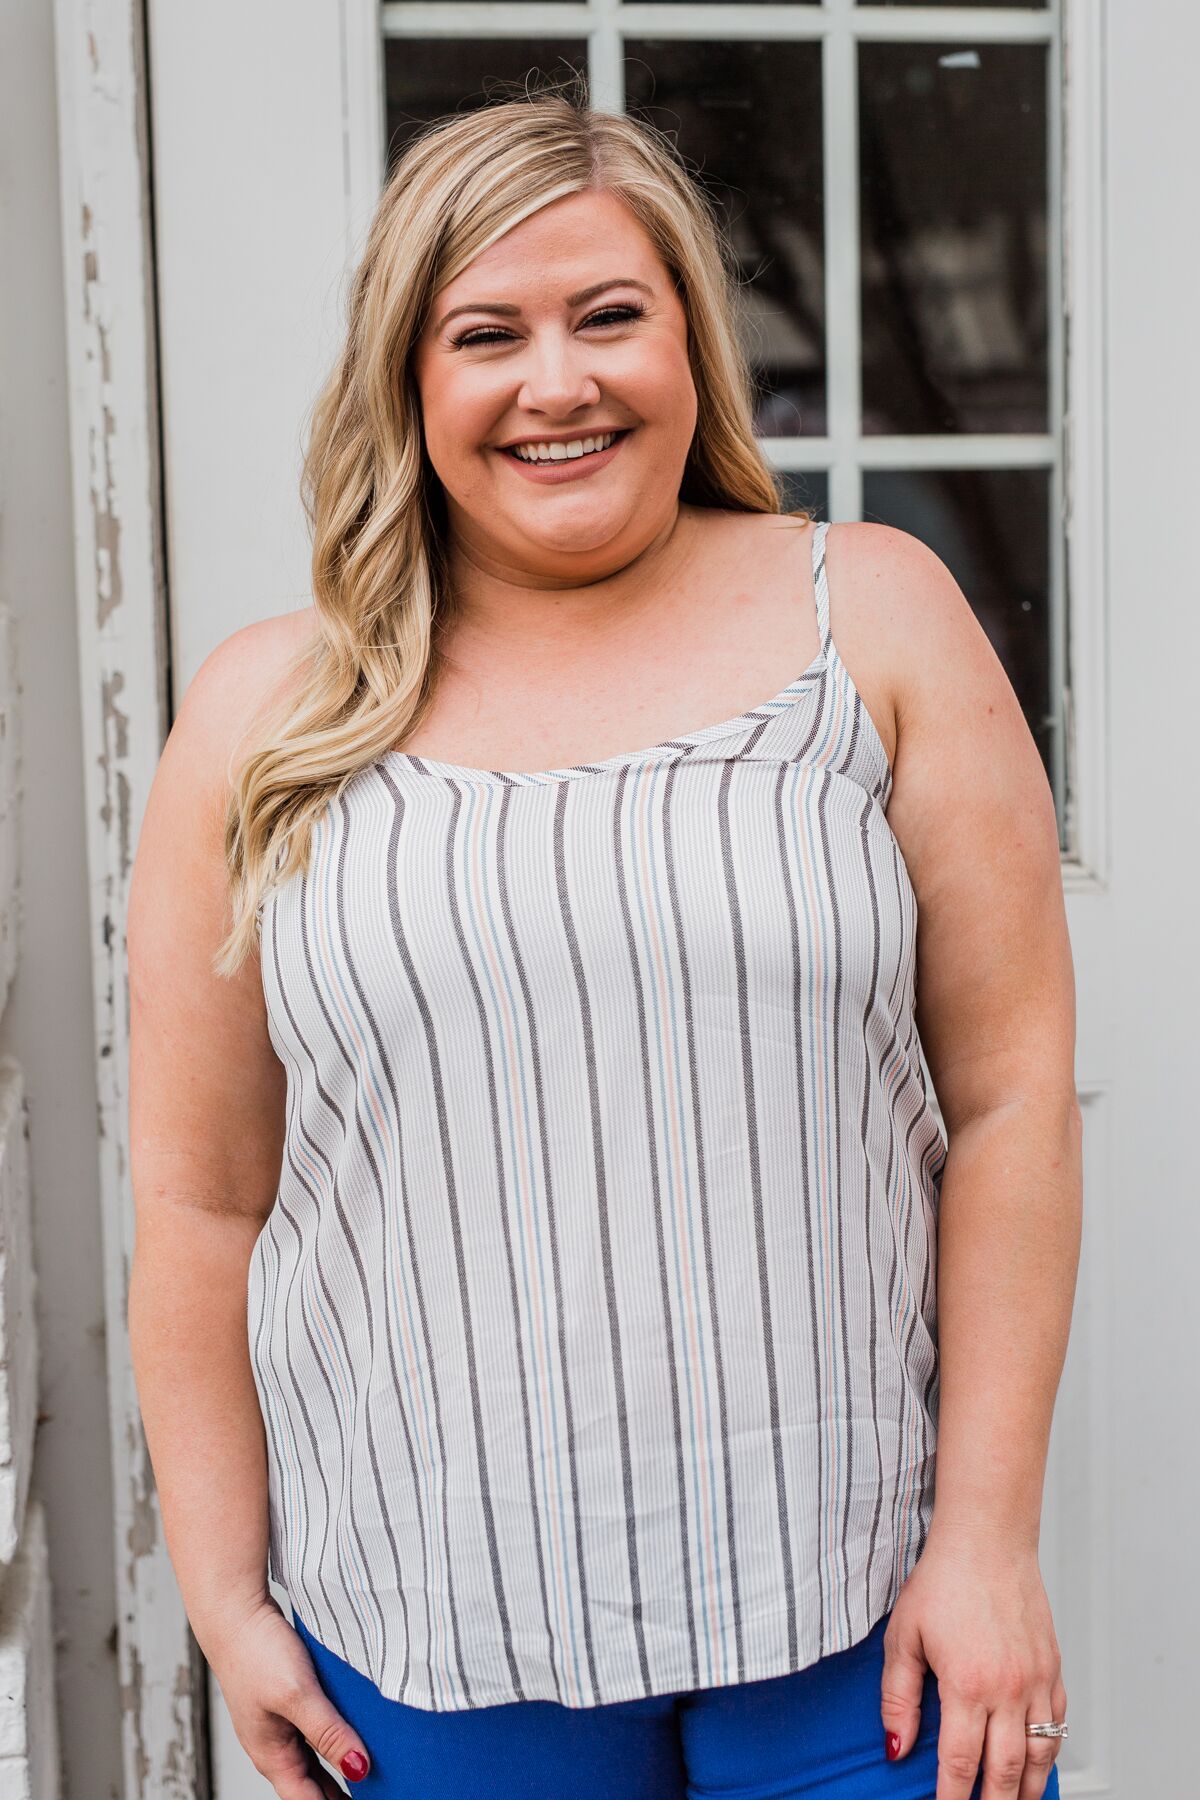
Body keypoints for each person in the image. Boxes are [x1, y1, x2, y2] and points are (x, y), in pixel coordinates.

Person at [126, 80, 1080, 1800]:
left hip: (859, 1628)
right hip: (426, 1639)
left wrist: (990, 1540)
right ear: (409, 383)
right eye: (485, 331)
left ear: (690, 348)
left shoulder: (868, 614)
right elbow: (203, 1199)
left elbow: (1011, 1101)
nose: (555, 381)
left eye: (609, 317)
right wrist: (219, 1587)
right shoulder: (268, 712)